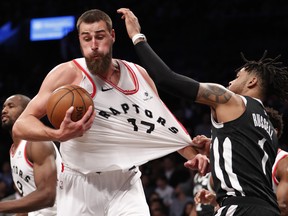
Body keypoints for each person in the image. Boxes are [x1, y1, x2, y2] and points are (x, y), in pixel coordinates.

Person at [12, 9, 209, 215]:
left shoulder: (138, 74)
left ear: (112, 36)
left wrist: (192, 153)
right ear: (79, 41)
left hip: (125, 181)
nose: (94, 45)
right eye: (86, 38)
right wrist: (58, 135)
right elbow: (22, 124)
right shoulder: (67, 74)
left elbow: (162, 126)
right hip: (79, 183)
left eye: (100, 36)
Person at [119, 7, 288, 216]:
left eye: (238, 76)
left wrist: (137, 36)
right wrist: (216, 149)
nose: (230, 81)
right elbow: (246, 168)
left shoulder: (230, 100)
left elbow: (166, 78)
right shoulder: (268, 128)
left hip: (240, 208)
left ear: (252, 81)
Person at [193, 107, 288, 216]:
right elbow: (247, 202)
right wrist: (216, 200)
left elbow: (283, 207)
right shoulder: (244, 160)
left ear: (273, 132)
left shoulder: (284, 161)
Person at [0, 94, 62, 215]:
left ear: (25, 112)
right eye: (3, 107)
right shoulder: (14, 150)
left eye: (10, 106)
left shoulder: (37, 143)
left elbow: (47, 196)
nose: (4, 110)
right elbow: (26, 199)